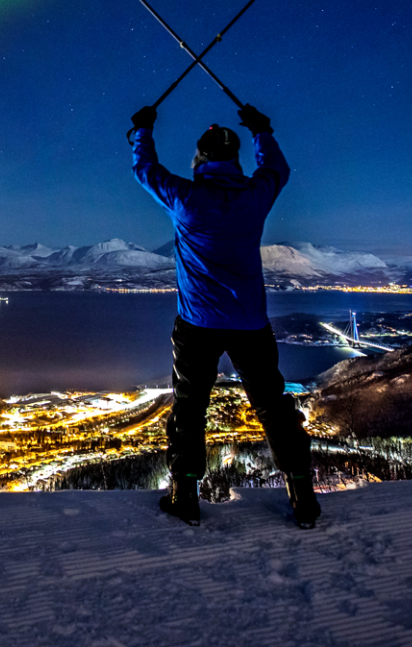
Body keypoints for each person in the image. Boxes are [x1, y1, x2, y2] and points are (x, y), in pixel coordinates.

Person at [130, 102, 321, 529]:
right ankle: (303, 495)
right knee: (273, 405)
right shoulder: (256, 197)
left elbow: (145, 170)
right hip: (251, 323)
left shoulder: (186, 197)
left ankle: (185, 495)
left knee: (190, 406)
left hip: (198, 323)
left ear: (199, 158)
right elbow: (277, 169)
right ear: (234, 158)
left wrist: (143, 129)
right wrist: (262, 131)